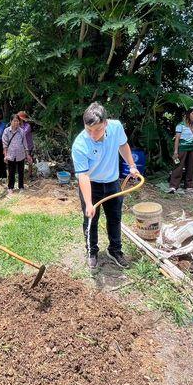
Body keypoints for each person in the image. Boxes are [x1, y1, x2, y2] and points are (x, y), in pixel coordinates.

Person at [71, 102, 141, 270]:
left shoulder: (116, 127)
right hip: (91, 184)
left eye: (98, 130)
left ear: (106, 124)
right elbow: (83, 176)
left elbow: (123, 145)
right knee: (91, 219)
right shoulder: (80, 144)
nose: (93, 135)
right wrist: (89, 203)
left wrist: (131, 165)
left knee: (115, 218)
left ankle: (115, 250)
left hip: (112, 182)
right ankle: (92, 252)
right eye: (89, 130)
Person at [169, 107, 193, 193]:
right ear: (188, 114)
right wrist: (176, 151)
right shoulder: (180, 125)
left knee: (190, 167)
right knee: (178, 167)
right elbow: (177, 138)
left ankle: (188, 185)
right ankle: (173, 186)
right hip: (182, 148)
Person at [2, 114, 32, 194]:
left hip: (20, 154)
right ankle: (10, 187)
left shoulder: (21, 131)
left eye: (17, 121)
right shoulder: (6, 131)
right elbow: (5, 145)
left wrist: (27, 155)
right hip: (11, 155)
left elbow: (25, 144)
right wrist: (5, 156)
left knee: (21, 171)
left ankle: (21, 186)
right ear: (11, 121)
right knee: (11, 172)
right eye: (14, 121)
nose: (16, 123)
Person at [18, 111, 35, 179]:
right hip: (21, 146)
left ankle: (30, 174)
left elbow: (22, 134)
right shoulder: (18, 126)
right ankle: (21, 175)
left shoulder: (27, 126)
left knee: (29, 160)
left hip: (28, 146)